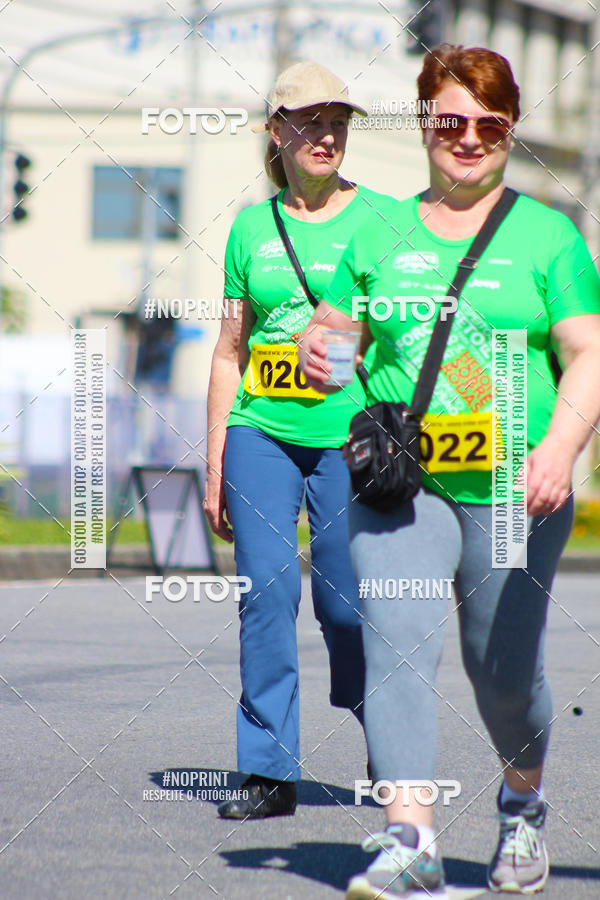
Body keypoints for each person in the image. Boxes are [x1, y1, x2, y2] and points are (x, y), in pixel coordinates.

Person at [299, 44, 600, 897]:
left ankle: (520, 803)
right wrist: (324, 351)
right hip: (405, 483)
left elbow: (588, 351)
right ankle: (410, 838)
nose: (468, 139)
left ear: (510, 132)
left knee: (504, 677)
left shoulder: (548, 234)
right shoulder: (378, 229)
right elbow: (337, 332)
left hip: (515, 490)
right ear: (426, 122)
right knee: (396, 643)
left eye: (490, 125)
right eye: (450, 121)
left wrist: (558, 451)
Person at [205, 61, 392, 819]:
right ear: (277, 132)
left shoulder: (383, 220)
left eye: (338, 120)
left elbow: (413, 330)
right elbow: (228, 351)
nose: (327, 134)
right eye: (310, 121)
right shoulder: (251, 228)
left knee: (347, 606)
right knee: (267, 593)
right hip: (260, 432)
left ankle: (376, 718)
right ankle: (267, 771)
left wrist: (358, 329)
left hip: (351, 433)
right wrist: (215, 457)